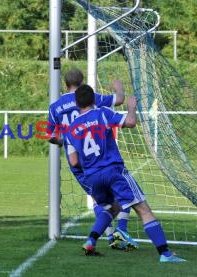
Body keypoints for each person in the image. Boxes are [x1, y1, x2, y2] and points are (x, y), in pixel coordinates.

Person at [64, 84, 186, 262]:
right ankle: (165, 254)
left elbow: (74, 161)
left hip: (92, 177)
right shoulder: (102, 113)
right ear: (94, 99)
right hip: (113, 171)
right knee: (143, 209)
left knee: (111, 208)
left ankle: (91, 240)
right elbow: (130, 122)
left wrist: (92, 167)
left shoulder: (71, 129)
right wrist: (131, 107)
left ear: (76, 103)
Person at [47, 68, 136, 250]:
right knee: (121, 194)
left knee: (98, 200)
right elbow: (118, 100)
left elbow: (49, 135)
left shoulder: (55, 107)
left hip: (76, 162)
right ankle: (120, 232)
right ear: (82, 82)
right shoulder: (88, 97)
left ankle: (111, 237)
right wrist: (119, 88)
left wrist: (66, 140)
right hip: (96, 157)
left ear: (65, 84)